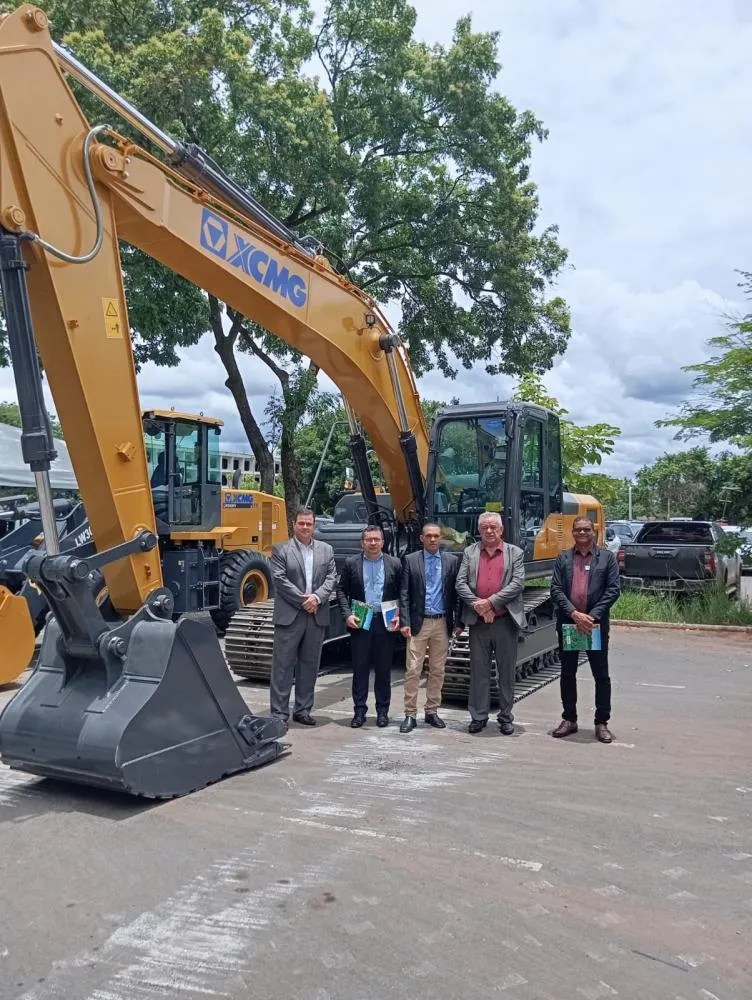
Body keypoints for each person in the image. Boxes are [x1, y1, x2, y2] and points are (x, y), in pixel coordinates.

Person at [550, 516, 620, 743]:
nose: (582, 533)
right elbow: (556, 589)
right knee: (567, 673)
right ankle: (569, 719)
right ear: (573, 532)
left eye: (586, 530)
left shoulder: (607, 559)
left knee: (601, 675)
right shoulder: (563, 558)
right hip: (570, 623)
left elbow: (613, 590)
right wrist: (574, 614)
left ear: (594, 531)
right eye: (578, 530)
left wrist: (591, 617)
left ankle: (602, 722)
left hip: (594, 626)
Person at [456, 511, 525, 735]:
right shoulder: (470, 552)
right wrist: (478, 605)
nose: (489, 530)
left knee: (505, 672)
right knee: (479, 671)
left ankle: (505, 716)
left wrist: (490, 604)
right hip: (478, 622)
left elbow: (516, 584)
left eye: (493, 526)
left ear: (501, 529)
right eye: (485, 527)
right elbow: (461, 583)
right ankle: (478, 716)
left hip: (504, 621)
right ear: (479, 530)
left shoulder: (515, 553)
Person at [269, 508, 337, 728]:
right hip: (290, 615)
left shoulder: (326, 550)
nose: (305, 527)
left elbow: (331, 578)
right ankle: (279, 713)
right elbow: (279, 580)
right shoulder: (281, 550)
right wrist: (303, 600)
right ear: (294, 524)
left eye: (309, 524)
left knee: (309, 665)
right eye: (301, 524)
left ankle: (303, 710)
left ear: (314, 525)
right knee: (283, 666)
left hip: (316, 615)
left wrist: (317, 598)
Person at [336, 525, 402, 728]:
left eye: (376, 539)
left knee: (383, 669)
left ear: (383, 542)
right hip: (361, 620)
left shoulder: (395, 564)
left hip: (385, 621)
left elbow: (403, 592)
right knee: (360, 668)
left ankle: (382, 712)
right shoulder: (351, 563)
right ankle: (359, 712)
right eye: (368, 540)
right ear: (362, 542)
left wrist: (400, 615)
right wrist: (346, 615)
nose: (373, 543)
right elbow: (340, 591)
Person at [398, 523, 460, 733]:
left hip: (442, 623)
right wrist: (404, 622)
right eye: (428, 536)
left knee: (437, 670)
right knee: (413, 669)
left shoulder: (451, 561)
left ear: (440, 538)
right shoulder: (411, 560)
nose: (433, 540)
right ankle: (409, 714)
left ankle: (432, 711)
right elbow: (404, 593)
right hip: (418, 622)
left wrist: (459, 622)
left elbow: (456, 595)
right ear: (421, 538)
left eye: (436, 536)